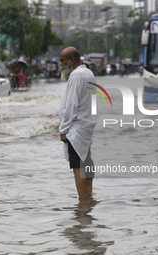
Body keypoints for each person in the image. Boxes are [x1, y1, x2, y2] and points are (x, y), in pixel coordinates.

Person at [59, 46, 99, 199]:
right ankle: (89, 198)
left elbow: (71, 106)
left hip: (76, 128)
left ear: (72, 60)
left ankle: (83, 202)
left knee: (78, 166)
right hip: (86, 126)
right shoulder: (88, 72)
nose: (61, 64)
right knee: (86, 163)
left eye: (63, 61)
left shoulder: (76, 76)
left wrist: (63, 130)